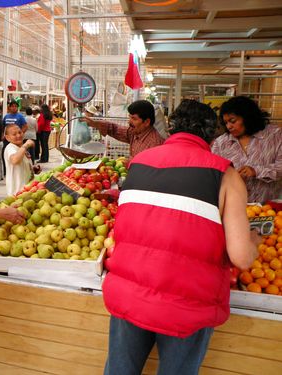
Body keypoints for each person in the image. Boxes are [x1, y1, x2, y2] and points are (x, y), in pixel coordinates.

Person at [102, 99, 259, 375]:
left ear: (172, 128)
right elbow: (241, 257)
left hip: (129, 294)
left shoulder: (138, 163)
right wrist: (255, 240)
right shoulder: (225, 175)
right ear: (212, 135)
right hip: (187, 306)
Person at [211, 96, 281, 203]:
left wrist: (256, 171)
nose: (229, 126)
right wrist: (232, 178)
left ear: (247, 117)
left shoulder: (274, 135)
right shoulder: (221, 143)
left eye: (233, 121)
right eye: (226, 123)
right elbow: (214, 175)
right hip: (235, 208)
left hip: (269, 209)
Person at [84, 99, 164, 161]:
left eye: (134, 118)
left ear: (146, 122)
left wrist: (130, 163)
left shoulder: (155, 144)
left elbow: (151, 170)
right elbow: (116, 130)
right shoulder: (135, 132)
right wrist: (94, 124)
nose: (129, 121)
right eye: (129, 117)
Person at [3, 124, 35, 196]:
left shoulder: (21, 148)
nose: (18, 135)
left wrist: (33, 169)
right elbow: (15, 160)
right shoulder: (10, 148)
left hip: (26, 189)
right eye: (14, 134)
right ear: (7, 138)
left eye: (20, 132)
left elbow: (23, 163)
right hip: (17, 192)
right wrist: (26, 145)